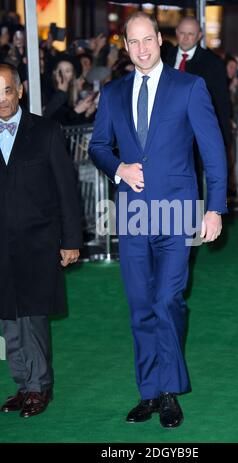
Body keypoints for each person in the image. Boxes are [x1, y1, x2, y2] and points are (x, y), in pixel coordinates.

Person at [89, 12, 227, 428]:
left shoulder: (190, 87)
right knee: (140, 306)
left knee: (168, 300)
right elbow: (97, 146)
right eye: (134, 42)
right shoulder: (112, 93)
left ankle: (169, 391)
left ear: (160, 42)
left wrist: (215, 208)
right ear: (126, 47)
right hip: (132, 214)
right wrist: (119, 170)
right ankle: (148, 392)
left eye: (148, 39)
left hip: (177, 212)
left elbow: (214, 152)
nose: (143, 48)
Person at [0, 63, 82, 418]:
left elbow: (67, 190)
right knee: (8, 319)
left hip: (38, 241)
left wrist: (71, 240)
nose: (0, 99)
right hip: (1, 247)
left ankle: (39, 388)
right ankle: (23, 384)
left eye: (6, 90)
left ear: (20, 91)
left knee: (33, 318)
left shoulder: (46, 131)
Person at [164, 16, 231, 147]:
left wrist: (223, 138)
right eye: (182, 33)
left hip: (197, 132)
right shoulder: (164, 57)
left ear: (199, 35)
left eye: (191, 34)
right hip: (168, 130)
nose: (186, 38)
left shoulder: (212, 63)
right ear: (176, 32)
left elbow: (221, 102)